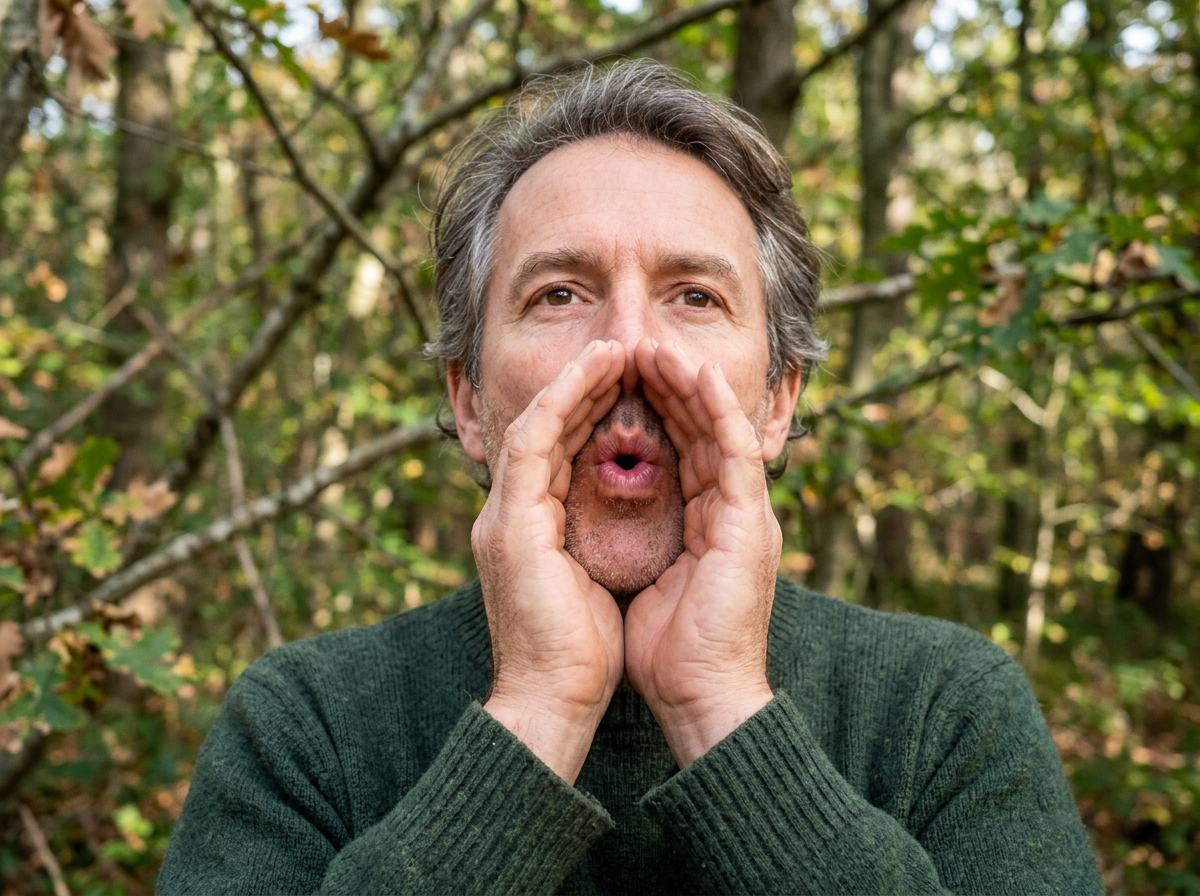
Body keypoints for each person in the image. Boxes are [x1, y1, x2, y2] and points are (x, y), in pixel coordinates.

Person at [158, 61, 1102, 895]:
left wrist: (721, 706)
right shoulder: (307, 724)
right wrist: (536, 712)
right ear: (472, 401)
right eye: (559, 294)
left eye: (694, 296)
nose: (628, 346)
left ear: (777, 399)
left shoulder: (944, 711)